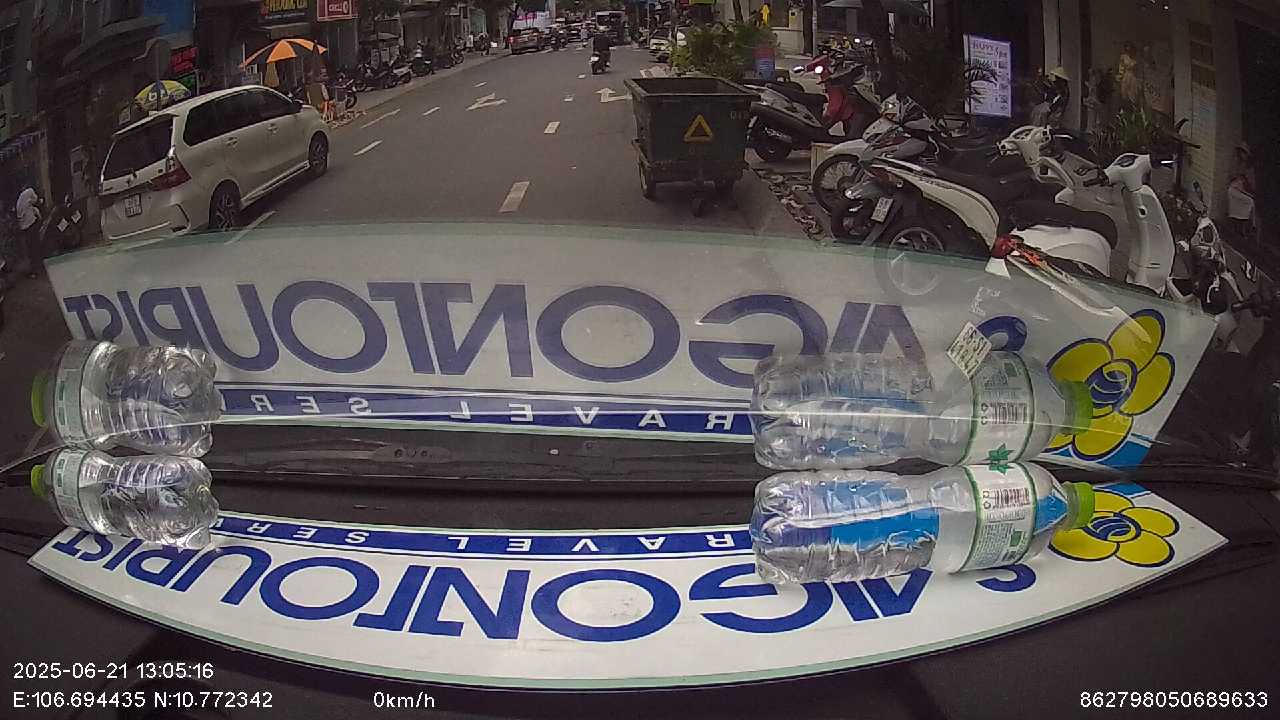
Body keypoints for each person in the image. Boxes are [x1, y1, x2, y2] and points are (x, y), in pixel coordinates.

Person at [12, 180, 42, 279]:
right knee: (35, 246)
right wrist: (40, 201)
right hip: (30, 224)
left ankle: (34, 269)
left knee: (30, 247)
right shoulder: (29, 191)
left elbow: (31, 206)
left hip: (24, 226)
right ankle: (37, 268)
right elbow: (36, 200)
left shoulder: (20, 199)